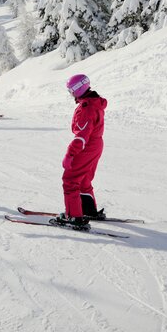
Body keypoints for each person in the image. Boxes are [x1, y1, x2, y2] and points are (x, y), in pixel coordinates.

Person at [60, 74, 107, 229]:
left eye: (71, 90)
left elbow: (81, 137)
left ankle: (74, 216)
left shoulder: (87, 108)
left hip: (87, 147)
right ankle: (89, 210)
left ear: (79, 88)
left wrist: (70, 154)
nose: (70, 94)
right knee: (84, 179)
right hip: (96, 144)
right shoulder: (94, 102)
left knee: (70, 180)